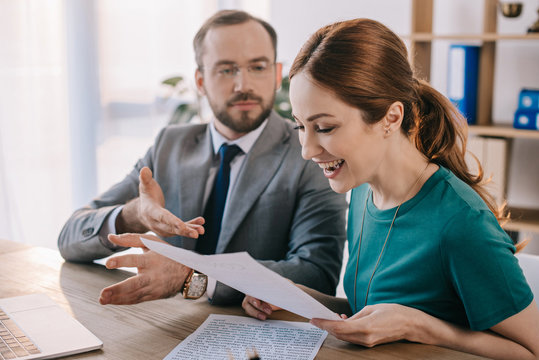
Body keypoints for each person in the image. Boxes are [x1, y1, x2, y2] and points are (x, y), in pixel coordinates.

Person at [242, 18, 539, 359]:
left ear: (391, 118)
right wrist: (293, 296)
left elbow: (532, 351)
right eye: (300, 126)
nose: (307, 150)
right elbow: (369, 311)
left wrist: (419, 326)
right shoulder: (363, 191)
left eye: (324, 127)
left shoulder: (461, 223)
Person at [58, 10, 346, 306]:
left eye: (257, 67)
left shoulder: (310, 154)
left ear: (276, 74)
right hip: (166, 324)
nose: (242, 85)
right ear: (199, 81)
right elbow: (69, 238)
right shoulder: (169, 145)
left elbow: (317, 275)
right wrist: (134, 215)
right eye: (225, 69)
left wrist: (192, 276)